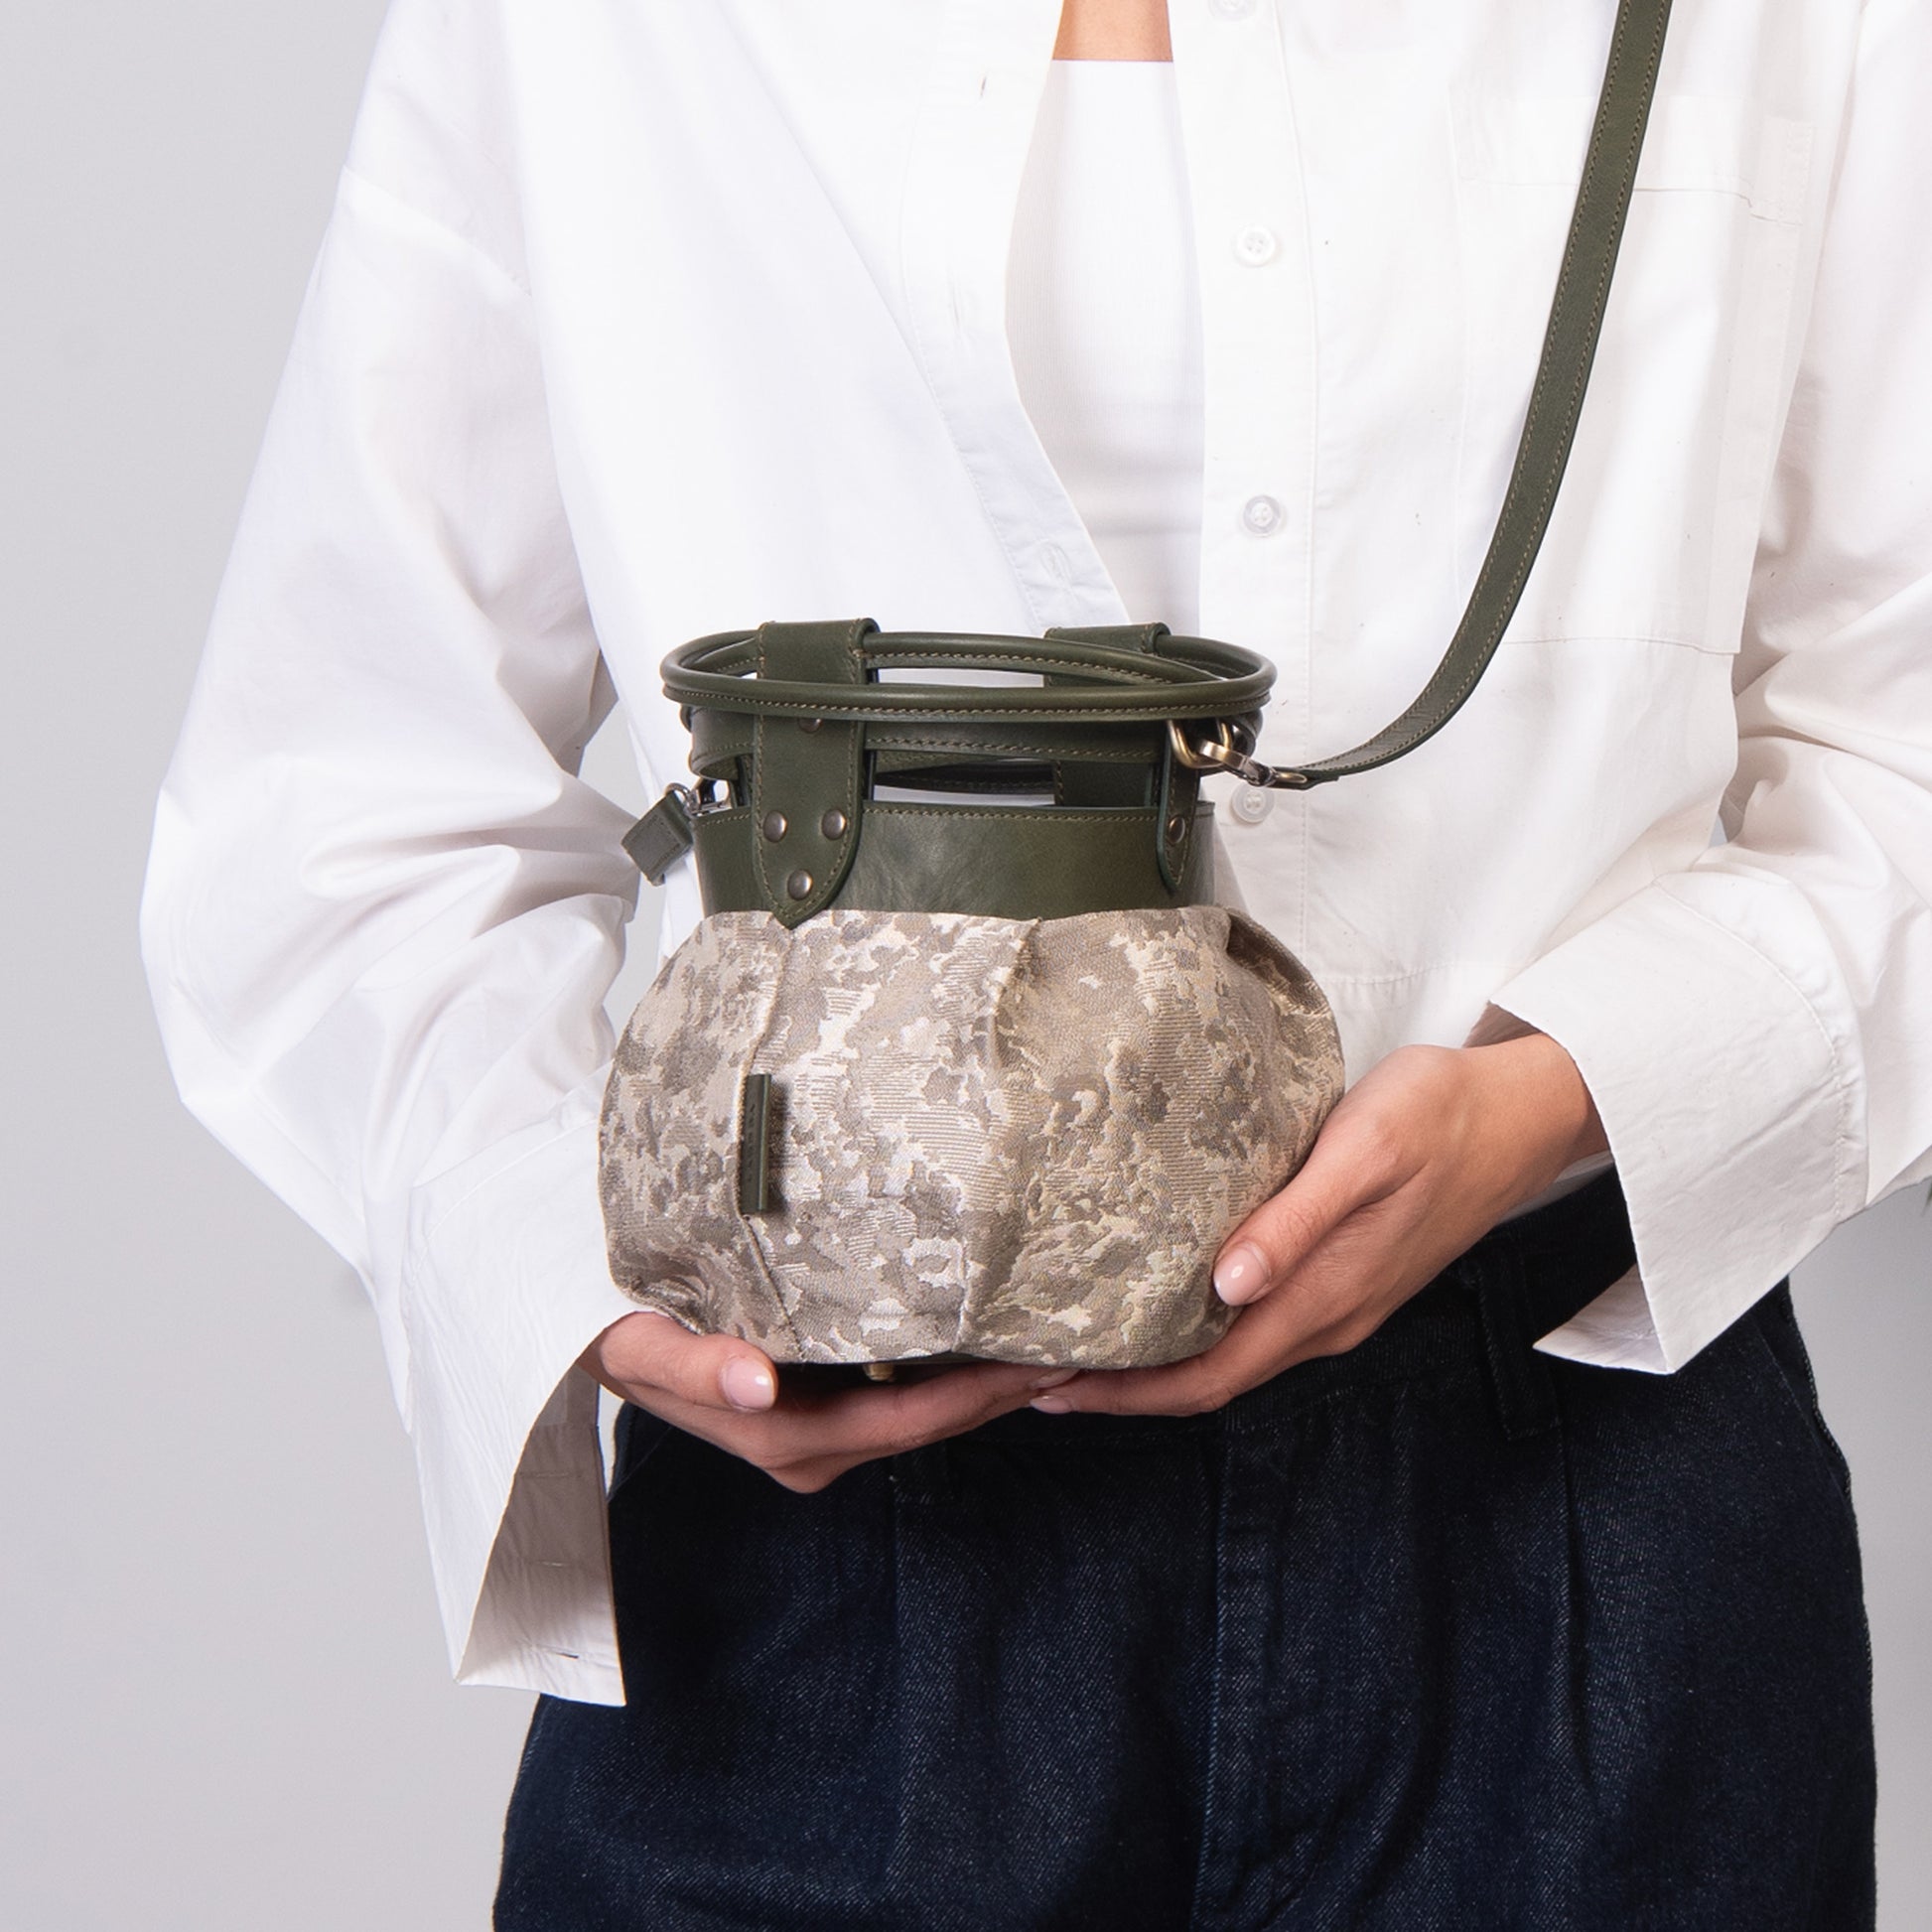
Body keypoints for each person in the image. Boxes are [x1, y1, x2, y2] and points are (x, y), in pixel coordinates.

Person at [140, 0, 1927, 1923]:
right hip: (815, 1544)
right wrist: (585, 1274)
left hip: (1568, 1504)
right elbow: (342, 795)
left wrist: (1547, 1104)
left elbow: (1896, 739)